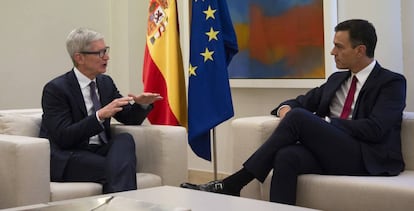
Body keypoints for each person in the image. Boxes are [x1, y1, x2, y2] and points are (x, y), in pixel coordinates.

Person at [181, 19, 407, 205]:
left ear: (360, 51)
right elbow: (300, 102)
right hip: (335, 152)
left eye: (339, 47)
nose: (332, 52)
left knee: (300, 118)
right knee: (286, 155)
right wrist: (285, 109)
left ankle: (235, 183)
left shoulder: (391, 82)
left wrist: (326, 123)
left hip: (367, 157)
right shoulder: (338, 79)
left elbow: (376, 129)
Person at [40, 27, 162, 193]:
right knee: (119, 168)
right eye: (100, 53)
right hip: (70, 155)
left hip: (99, 151)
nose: (107, 57)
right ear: (79, 58)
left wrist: (142, 104)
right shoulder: (56, 89)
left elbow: (129, 118)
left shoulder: (105, 83)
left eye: (106, 51)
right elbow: (64, 137)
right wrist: (99, 116)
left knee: (124, 139)